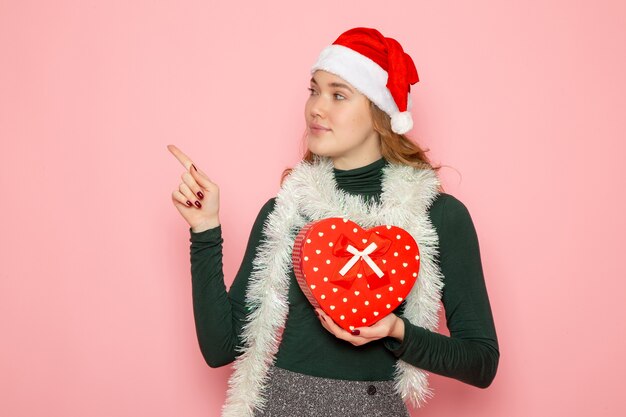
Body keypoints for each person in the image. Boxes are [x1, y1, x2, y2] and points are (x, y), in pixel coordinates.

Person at [168, 27, 499, 417]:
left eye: (338, 95)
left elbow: (481, 362)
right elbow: (219, 348)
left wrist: (396, 331)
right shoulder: (285, 210)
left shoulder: (438, 216)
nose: (315, 108)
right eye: (313, 90)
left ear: (380, 113)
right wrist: (205, 230)